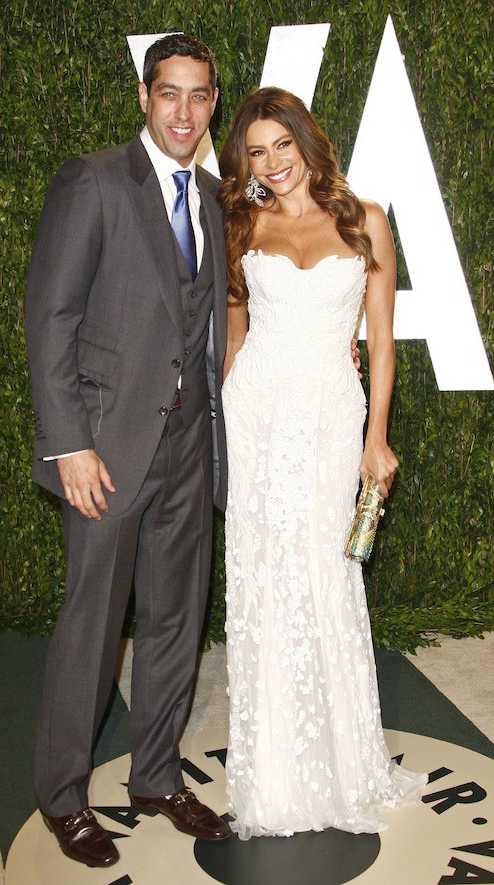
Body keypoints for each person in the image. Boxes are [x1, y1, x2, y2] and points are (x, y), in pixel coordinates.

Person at [25, 34, 231, 868]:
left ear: (213, 104)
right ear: (144, 98)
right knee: (93, 624)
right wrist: (69, 443)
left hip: (190, 444)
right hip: (106, 449)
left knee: (176, 619)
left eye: (199, 95)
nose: (184, 111)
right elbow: (51, 318)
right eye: (169, 93)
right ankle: (62, 796)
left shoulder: (213, 196)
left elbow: (213, 320)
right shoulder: (95, 180)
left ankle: (156, 777)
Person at [218, 87, 427, 840]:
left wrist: (377, 437)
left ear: (308, 142)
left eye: (283, 144)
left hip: (334, 416)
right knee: (262, 577)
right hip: (256, 414)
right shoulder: (243, 224)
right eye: (257, 152)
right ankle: (272, 773)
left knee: (325, 574)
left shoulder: (365, 220)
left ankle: (344, 763)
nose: (273, 162)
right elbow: (234, 338)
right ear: (245, 163)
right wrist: (219, 427)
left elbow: (381, 343)